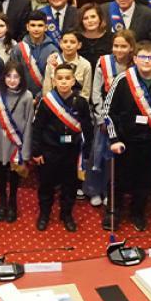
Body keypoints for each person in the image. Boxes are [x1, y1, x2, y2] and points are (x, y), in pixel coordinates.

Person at [106, 41, 151, 231]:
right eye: (142, 57)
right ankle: (113, 211)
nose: (147, 61)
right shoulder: (122, 79)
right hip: (125, 141)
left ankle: (138, 212)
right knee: (119, 179)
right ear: (135, 59)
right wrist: (114, 139)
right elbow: (108, 112)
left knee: (145, 180)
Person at [31, 62, 93, 232]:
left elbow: (87, 127)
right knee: (46, 184)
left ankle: (66, 214)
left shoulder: (81, 102)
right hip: (49, 150)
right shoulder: (46, 102)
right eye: (60, 78)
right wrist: (36, 151)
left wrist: (86, 153)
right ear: (54, 80)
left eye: (67, 78)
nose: (64, 82)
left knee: (70, 185)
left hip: (71, 151)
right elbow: (37, 127)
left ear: (74, 81)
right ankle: (44, 213)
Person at [87, 30, 135, 207]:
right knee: (98, 155)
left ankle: (111, 191)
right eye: (116, 45)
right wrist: (102, 118)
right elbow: (95, 92)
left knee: (117, 158)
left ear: (131, 48)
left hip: (124, 120)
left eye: (124, 46)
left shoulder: (134, 65)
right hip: (103, 119)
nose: (119, 49)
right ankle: (94, 190)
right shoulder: (104, 62)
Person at [0, 61, 34, 224]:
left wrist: (25, 150)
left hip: (16, 144)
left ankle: (12, 202)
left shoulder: (27, 96)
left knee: (14, 174)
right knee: (1, 172)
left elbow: (28, 125)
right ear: (3, 77)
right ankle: (2, 201)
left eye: (16, 77)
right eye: (8, 76)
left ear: (22, 78)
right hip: (0, 141)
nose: (12, 80)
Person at [13, 12, 60, 97]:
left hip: (45, 98)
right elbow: (13, 74)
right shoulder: (18, 48)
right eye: (33, 25)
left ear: (46, 28)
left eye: (40, 25)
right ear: (27, 27)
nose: (36, 29)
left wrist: (39, 98)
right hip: (21, 96)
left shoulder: (53, 50)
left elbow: (54, 79)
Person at [44, 30, 92, 100]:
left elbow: (86, 93)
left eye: (72, 42)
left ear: (79, 45)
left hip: (76, 105)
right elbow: (47, 89)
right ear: (60, 44)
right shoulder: (53, 61)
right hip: (55, 104)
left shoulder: (85, 65)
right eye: (65, 42)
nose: (68, 45)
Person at [77, 2, 112, 67]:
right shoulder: (76, 38)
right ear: (81, 21)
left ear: (100, 18)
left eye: (93, 17)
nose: (90, 21)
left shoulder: (112, 38)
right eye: (85, 18)